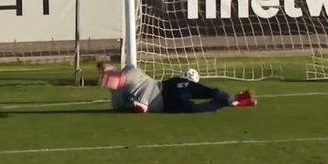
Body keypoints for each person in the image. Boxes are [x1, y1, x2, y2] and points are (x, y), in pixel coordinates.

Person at [98, 61, 258, 114]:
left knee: (210, 91)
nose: (105, 79)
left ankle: (232, 99)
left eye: (107, 73)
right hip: (166, 104)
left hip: (167, 87)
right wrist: (134, 106)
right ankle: (233, 102)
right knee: (197, 109)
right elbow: (125, 107)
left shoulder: (129, 71)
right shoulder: (116, 100)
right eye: (103, 77)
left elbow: (124, 79)